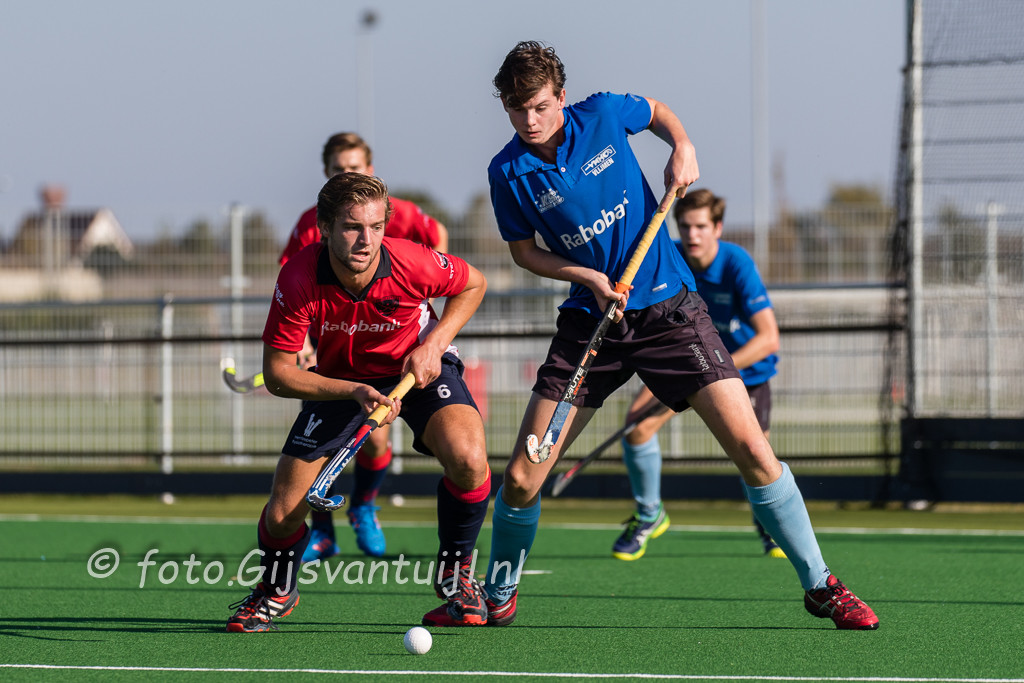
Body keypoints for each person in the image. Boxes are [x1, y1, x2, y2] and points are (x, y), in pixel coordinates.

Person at [481, 40, 878, 630]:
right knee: (520, 477)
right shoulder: (508, 171)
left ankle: (820, 585)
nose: (530, 120)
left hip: (671, 312)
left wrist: (683, 147)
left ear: (561, 96)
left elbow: (659, 113)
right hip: (592, 322)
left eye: (539, 105)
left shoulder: (604, 113)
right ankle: (496, 593)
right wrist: (588, 278)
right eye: (517, 109)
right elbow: (524, 253)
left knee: (753, 451)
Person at [227, 172, 491, 632]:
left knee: (470, 459)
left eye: (375, 226)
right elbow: (279, 375)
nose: (366, 240)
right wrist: (351, 391)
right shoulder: (299, 277)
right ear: (324, 228)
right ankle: (276, 589)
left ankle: (457, 578)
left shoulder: (411, 261)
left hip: (416, 368)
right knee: (284, 512)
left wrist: (434, 344)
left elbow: (474, 284)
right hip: (340, 382)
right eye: (352, 227)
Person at [278, 132, 450, 564]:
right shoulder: (310, 223)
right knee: (322, 445)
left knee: (373, 440)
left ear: (370, 169)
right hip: (331, 351)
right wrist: (303, 343)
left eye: (354, 167)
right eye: (338, 169)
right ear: (325, 173)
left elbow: (438, 240)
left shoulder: (398, 212)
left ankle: (363, 506)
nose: (347, 174)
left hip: (388, 346)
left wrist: (423, 297)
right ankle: (322, 534)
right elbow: (294, 282)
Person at [612, 188, 785, 560]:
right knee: (637, 427)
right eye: (686, 226)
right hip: (686, 363)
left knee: (756, 456)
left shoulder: (736, 263)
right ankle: (649, 514)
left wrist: (717, 366)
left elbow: (768, 338)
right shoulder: (671, 256)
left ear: (717, 228)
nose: (692, 235)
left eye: (701, 226)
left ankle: (771, 526)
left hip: (744, 373)